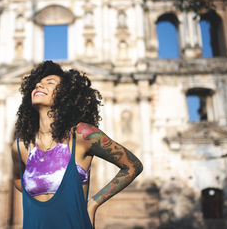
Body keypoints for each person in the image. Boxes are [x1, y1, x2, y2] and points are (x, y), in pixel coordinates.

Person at [11, 60, 143, 229]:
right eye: (37, 84)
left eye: (49, 83)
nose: (39, 85)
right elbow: (17, 179)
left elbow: (133, 166)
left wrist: (93, 203)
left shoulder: (83, 134)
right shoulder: (21, 146)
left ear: (65, 95)